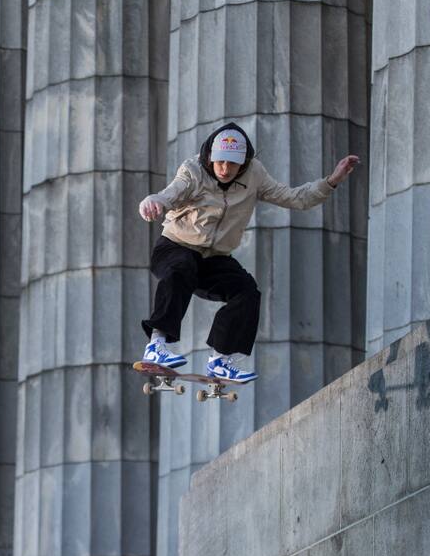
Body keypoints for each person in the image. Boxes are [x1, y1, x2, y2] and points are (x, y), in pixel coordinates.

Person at [138, 122, 360, 383]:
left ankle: (220, 359)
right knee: (181, 267)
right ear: (210, 157)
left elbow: (294, 198)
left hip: (214, 260)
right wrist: (152, 201)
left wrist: (331, 181)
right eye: (219, 162)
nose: (224, 169)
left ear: (243, 162)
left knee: (247, 291)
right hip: (174, 247)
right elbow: (170, 194)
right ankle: (157, 345)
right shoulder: (193, 170)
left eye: (232, 164)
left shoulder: (255, 174)